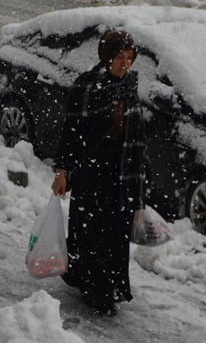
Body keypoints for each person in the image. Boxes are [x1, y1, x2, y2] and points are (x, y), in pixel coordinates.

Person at [50, 30, 149, 316]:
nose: (124, 64)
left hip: (121, 177)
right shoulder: (87, 86)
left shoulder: (129, 87)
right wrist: (62, 171)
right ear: (106, 57)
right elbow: (71, 133)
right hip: (91, 174)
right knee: (90, 233)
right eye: (119, 57)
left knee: (115, 236)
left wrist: (141, 173)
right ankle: (96, 290)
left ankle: (110, 286)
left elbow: (137, 136)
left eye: (129, 58)